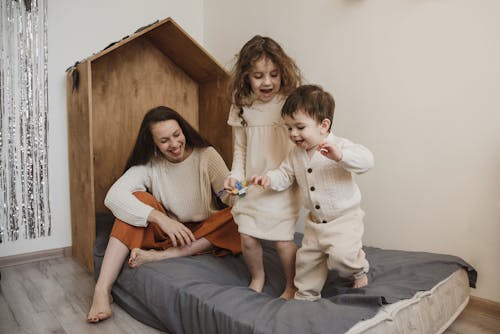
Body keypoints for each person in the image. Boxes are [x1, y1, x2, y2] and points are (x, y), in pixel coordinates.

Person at [87, 106, 241, 323]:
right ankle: (102, 290)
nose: (175, 144)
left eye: (177, 135)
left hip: (203, 233)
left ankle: (166, 255)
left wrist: (243, 191)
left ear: (184, 130)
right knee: (135, 202)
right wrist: (161, 218)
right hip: (168, 233)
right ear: (154, 144)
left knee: (239, 212)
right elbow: (113, 196)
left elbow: (228, 196)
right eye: (165, 140)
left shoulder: (206, 155)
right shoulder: (150, 163)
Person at [250, 85, 374, 301]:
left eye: (299, 127)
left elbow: (367, 161)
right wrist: (269, 179)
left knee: (341, 259)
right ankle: (305, 295)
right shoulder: (295, 154)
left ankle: (359, 269)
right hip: (315, 223)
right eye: (289, 128)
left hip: (344, 220)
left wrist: (340, 156)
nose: (293, 134)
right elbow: (285, 174)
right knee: (306, 263)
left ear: (323, 125)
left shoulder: (339, 146)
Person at [223, 35, 302, 300]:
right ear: (246, 76)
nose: (267, 82)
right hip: (251, 186)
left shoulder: (289, 103)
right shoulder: (242, 108)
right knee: (247, 238)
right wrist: (235, 176)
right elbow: (240, 150)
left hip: (281, 184)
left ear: (283, 73)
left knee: (282, 241)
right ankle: (258, 276)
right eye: (258, 76)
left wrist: (279, 178)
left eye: (274, 74)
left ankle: (291, 284)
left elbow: (297, 149)